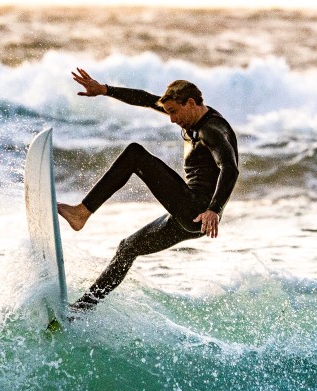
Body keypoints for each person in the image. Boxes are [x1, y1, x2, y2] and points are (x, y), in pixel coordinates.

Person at [58, 68, 239, 309]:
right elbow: (144, 98)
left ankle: (82, 212)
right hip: (190, 217)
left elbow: (230, 167)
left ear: (191, 103)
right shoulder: (190, 117)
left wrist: (214, 210)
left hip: (199, 210)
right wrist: (104, 90)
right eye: (168, 112)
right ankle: (80, 310)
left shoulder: (211, 130)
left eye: (174, 112)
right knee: (128, 247)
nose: (172, 119)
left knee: (135, 155)